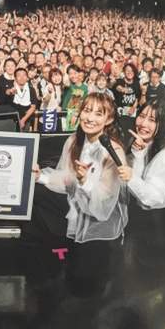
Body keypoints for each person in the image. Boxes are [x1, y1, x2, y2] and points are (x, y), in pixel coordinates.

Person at [32, 92, 128, 254]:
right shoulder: (73, 141)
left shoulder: (114, 151)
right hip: (74, 213)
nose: (90, 118)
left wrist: (85, 182)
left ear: (109, 119)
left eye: (98, 114)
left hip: (97, 225)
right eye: (87, 111)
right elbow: (65, 178)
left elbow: (104, 202)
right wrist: (39, 176)